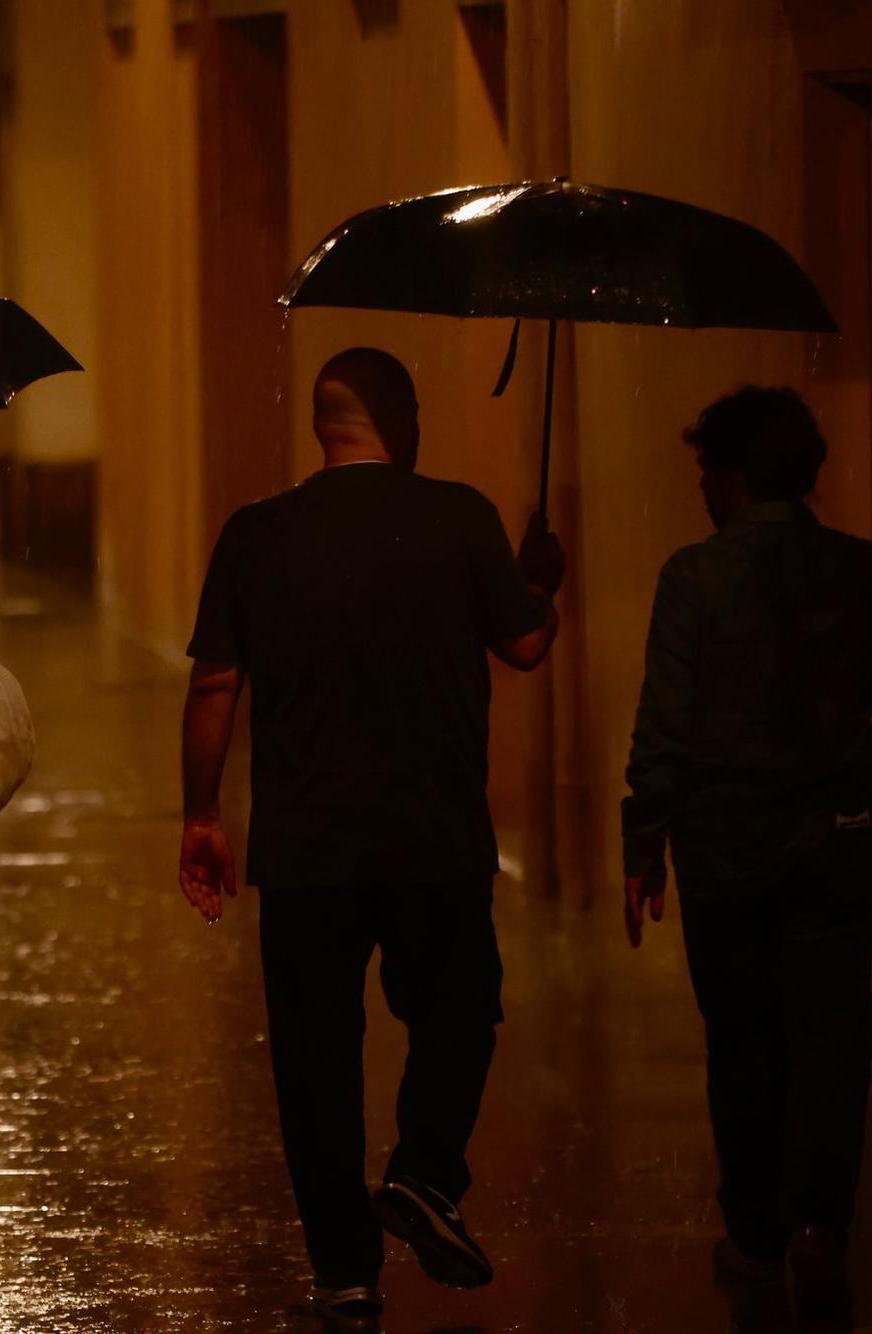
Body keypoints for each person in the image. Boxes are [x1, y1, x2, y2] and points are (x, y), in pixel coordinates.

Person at [178, 347, 564, 1326]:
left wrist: (200, 813)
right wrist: (537, 581)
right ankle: (424, 1174)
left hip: (304, 847)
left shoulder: (256, 535)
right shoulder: (460, 517)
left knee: (314, 1057)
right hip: (434, 836)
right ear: (404, 420)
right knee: (458, 1010)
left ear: (324, 424)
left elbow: (214, 685)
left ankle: (343, 1272)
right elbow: (522, 643)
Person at [620, 386, 872, 1330]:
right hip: (837, 839)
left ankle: (756, 1230)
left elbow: (666, 719)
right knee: (831, 1035)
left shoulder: (693, 579)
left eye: (705, 471)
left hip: (724, 844)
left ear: (730, 478)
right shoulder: (864, 571)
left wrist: (642, 841)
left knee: (741, 1038)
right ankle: (818, 1227)